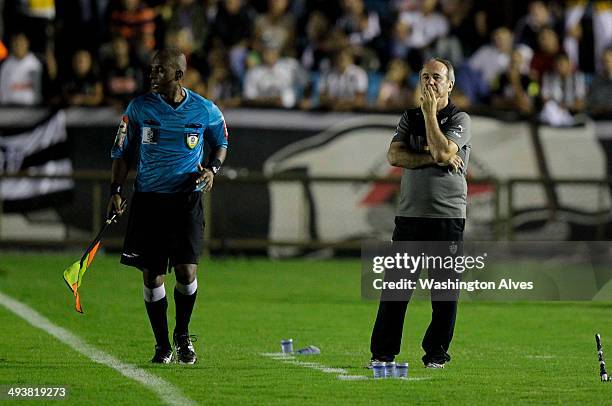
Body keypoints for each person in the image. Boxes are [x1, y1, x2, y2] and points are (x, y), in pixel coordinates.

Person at [107, 48, 229, 364]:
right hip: (149, 201)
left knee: (187, 272)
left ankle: (183, 335)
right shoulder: (137, 109)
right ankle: (162, 346)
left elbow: (221, 142)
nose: (152, 75)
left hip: (186, 199)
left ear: (178, 74)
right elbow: (121, 153)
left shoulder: (205, 110)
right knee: (152, 278)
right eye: (152, 69)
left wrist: (212, 169)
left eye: (160, 70)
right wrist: (116, 190)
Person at [369, 58, 471, 369]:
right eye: (425, 76)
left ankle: (436, 355)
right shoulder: (408, 116)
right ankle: (382, 354)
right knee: (396, 290)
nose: (429, 82)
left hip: (447, 217)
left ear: (449, 85)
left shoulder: (460, 118)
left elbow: (443, 151)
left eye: (436, 78)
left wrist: (429, 118)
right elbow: (393, 155)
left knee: (443, 295)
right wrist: (433, 159)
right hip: (411, 216)